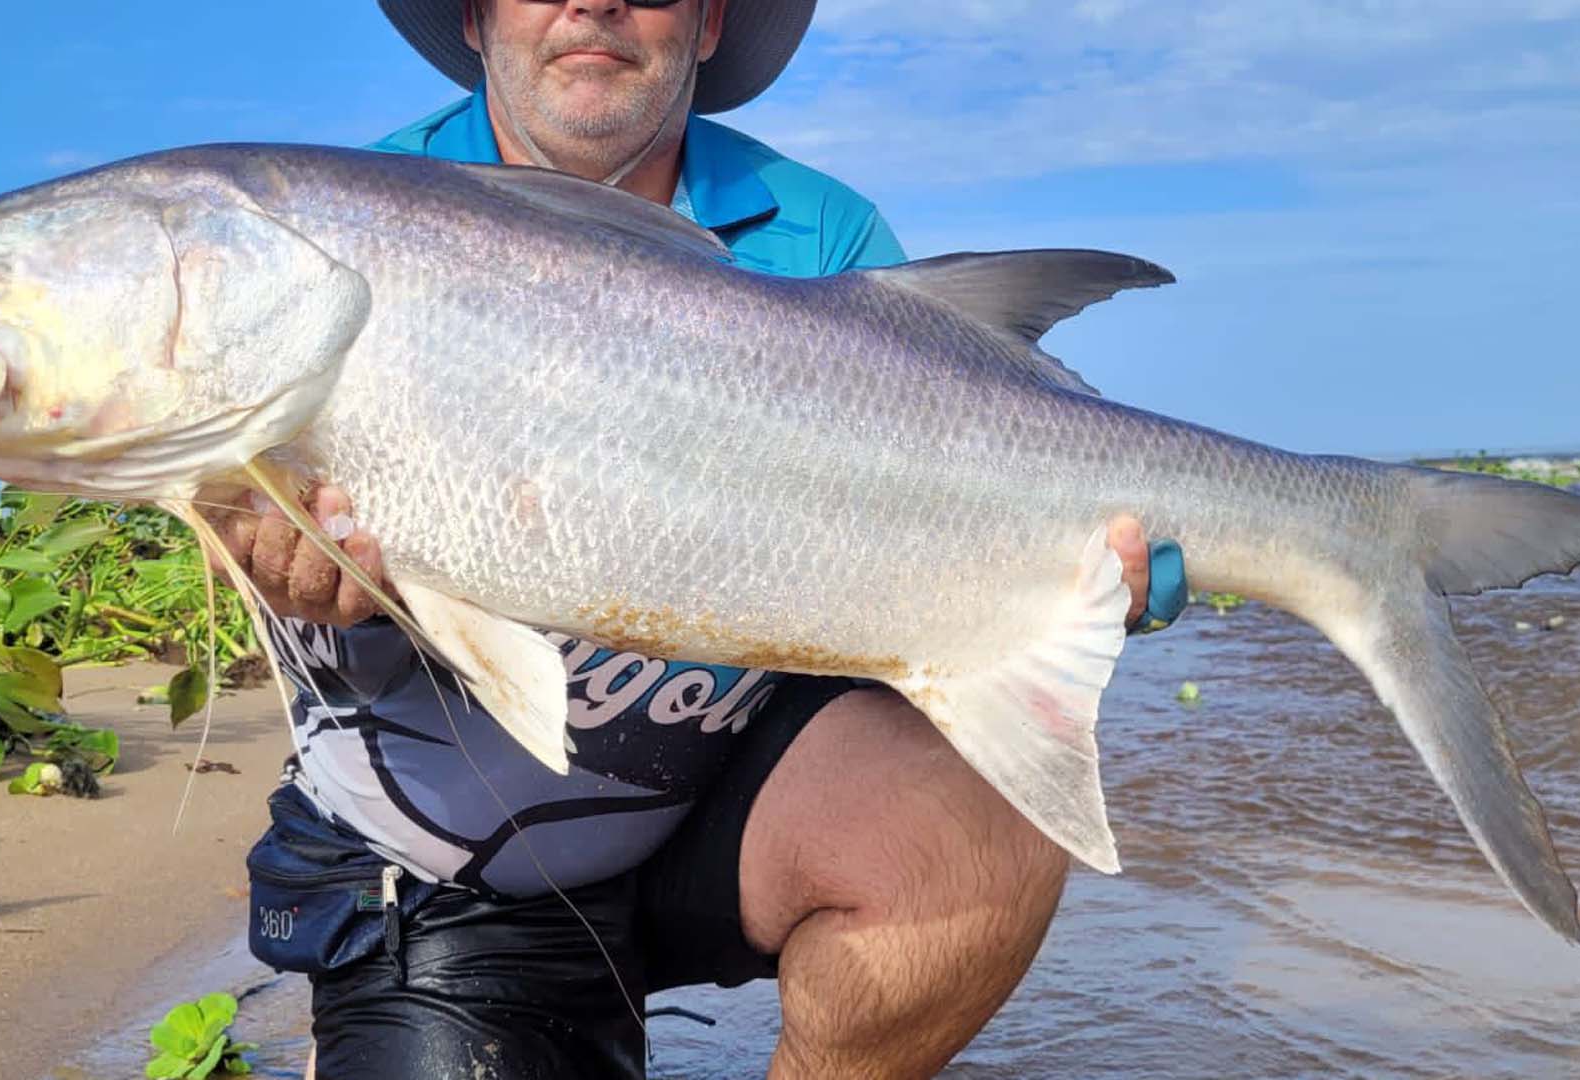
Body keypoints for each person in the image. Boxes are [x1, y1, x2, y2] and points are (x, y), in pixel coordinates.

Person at [211, 2, 1190, 1076]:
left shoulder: (823, 236)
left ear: (713, 21)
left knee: (973, 810)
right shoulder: (334, 223)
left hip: (725, 814)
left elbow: (955, 507)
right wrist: (264, 548)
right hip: (446, 872)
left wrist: (1062, 583)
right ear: (477, 19)